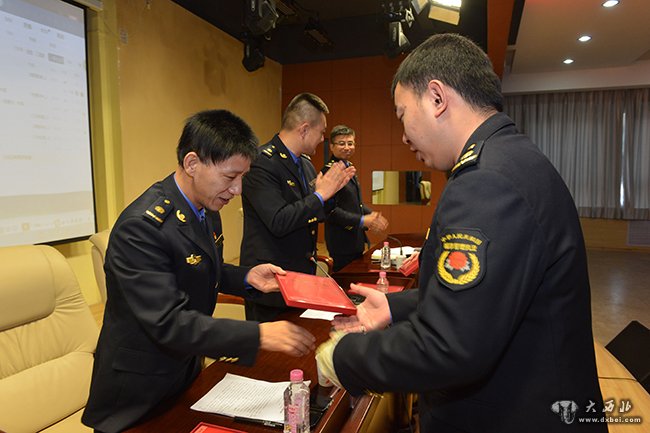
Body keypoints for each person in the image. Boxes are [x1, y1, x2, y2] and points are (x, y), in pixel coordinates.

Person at [317, 34, 606, 432]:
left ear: (437, 98)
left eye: (402, 114)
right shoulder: (512, 158)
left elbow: (449, 346)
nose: (403, 135)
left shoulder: (485, 181)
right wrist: (397, 308)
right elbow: (488, 297)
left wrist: (344, 356)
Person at [82, 110, 316, 433]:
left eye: (242, 177)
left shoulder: (206, 205)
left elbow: (200, 267)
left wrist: (246, 277)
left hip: (185, 374)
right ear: (192, 163)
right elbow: (168, 321)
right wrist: (259, 334)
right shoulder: (142, 227)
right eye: (230, 177)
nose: (237, 190)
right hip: (138, 396)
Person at [240, 93, 356, 322]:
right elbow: (279, 221)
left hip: (301, 279)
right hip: (271, 285)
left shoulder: (305, 164)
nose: (322, 139)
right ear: (304, 129)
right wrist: (320, 195)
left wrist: (332, 193)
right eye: (321, 132)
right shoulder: (261, 163)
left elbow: (314, 213)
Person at [321, 125, 388, 271]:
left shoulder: (348, 166)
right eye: (341, 143)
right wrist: (362, 220)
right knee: (344, 279)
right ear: (331, 146)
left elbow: (354, 203)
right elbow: (330, 211)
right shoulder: (330, 172)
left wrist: (371, 215)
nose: (347, 147)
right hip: (341, 241)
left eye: (350, 143)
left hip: (355, 239)